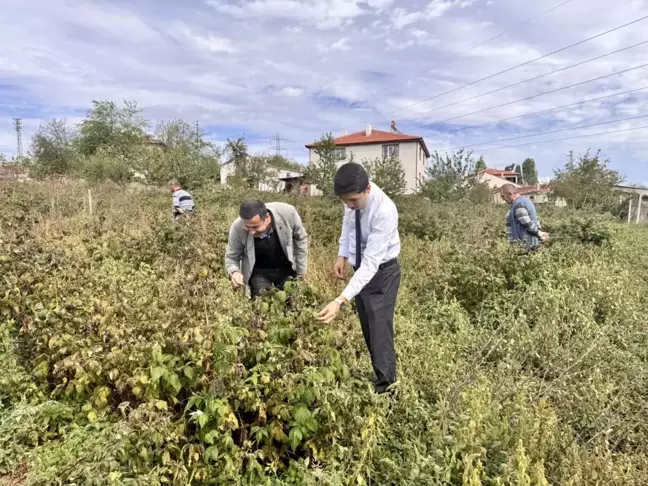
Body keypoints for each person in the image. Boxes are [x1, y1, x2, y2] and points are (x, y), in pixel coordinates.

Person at [317, 163, 401, 395]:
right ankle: (379, 375)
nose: (349, 205)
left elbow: (372, 264)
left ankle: (387, 390)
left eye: (353, 201)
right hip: (361, 270)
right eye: (345, 201)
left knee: (379, 330)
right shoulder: (352, 200)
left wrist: (340, 300)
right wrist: (341, 255)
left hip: (382, 274)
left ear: (367, 189)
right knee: (368, 327)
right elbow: (347, 226)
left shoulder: (384, 211)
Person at [225, 200, 308, 298]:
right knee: (262, 304)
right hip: (259, 271)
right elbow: (232, 256)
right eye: (247, 227)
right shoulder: (237, 227)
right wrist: (235, 272)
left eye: (255, 227)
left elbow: (300, 239)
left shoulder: (288, 213)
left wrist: (301, 270)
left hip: (286, 268)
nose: (251, 232)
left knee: (292, 303)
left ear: (267, 218)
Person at [500, 184, 549, 251]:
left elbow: (527, 223)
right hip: (526, 243)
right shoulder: (520, 202)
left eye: (503, 196)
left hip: (526, 244)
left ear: (510, 194)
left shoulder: (519, 204)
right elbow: (535, 220)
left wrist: (539, 233)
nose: (503, 199)